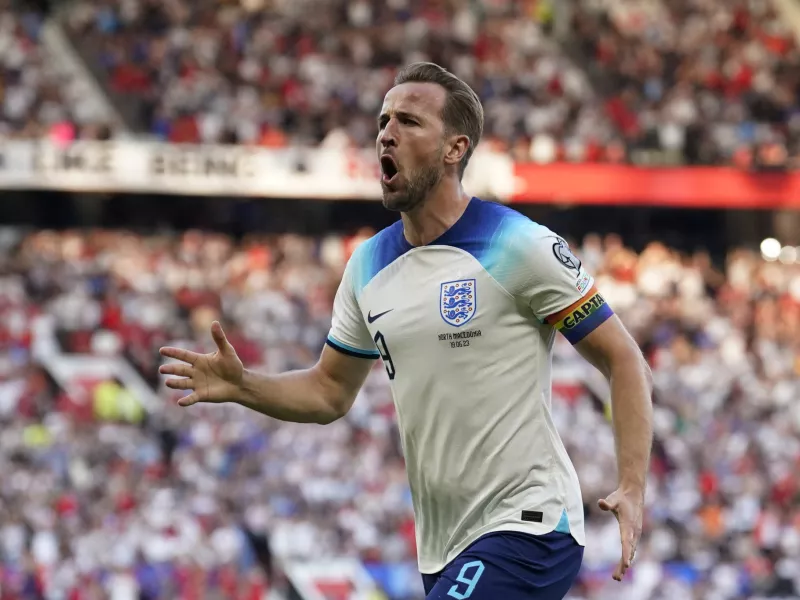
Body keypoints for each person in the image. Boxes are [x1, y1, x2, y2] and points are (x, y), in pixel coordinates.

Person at [159, 62, 654, 599]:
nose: (386, 134)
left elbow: (623, 358)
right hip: (443, 547)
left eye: (409, 122)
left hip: (529, 525)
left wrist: (631, 485)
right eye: (383, 121)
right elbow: (328, 391)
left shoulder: (518, 244)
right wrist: (244, 386)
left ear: (454, 149)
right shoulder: (367, 266)